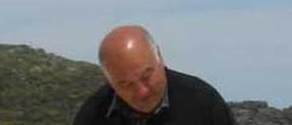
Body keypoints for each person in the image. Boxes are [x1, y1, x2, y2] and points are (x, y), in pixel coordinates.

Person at [73, 25, 236, 125]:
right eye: (126, 85)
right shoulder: (93, 115)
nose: (142, 91)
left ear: (159, 55)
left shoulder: (203, 102)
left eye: (146, 76)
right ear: (110, 81)